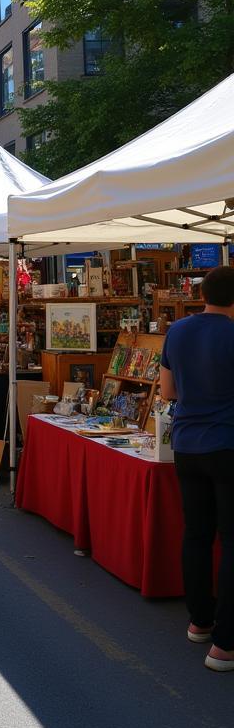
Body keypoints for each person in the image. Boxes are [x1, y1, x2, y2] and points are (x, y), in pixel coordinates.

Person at [159, 265, 234, 672]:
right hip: (227, 444)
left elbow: (168, 391)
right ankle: (225, 643)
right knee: (232, 539)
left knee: (197, 535)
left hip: (186, 444)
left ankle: (200, 621)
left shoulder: (178, 331)